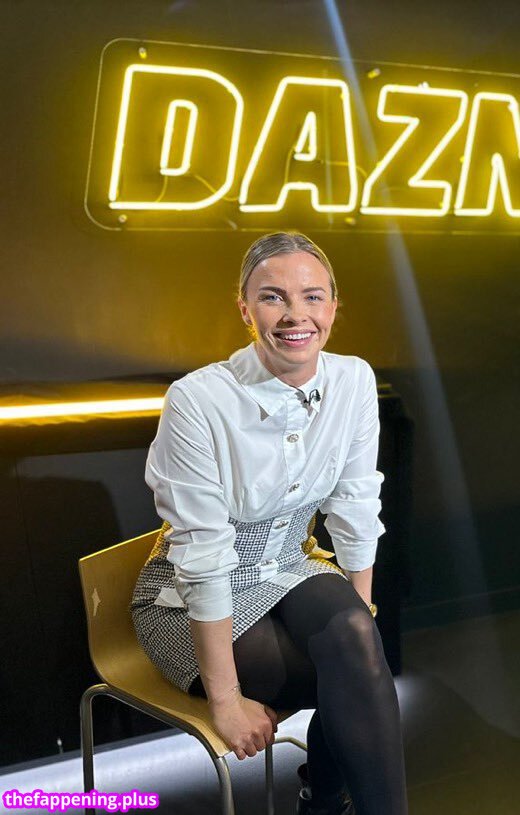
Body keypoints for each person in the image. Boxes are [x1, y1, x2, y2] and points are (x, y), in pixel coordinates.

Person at [131, 232, 408, 815]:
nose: (294, 315)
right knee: (355, 677)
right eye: (273, 297)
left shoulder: (353, 380)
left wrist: (360, 621)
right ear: (245, 309)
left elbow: (356, 505)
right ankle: (325, 800)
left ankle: (326, 800)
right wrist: (227, 700)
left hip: (288, 564)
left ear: (334, 306)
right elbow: (204, 555)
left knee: (357, 644)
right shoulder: (197, 400)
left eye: (312, 296)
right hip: (188, 596)